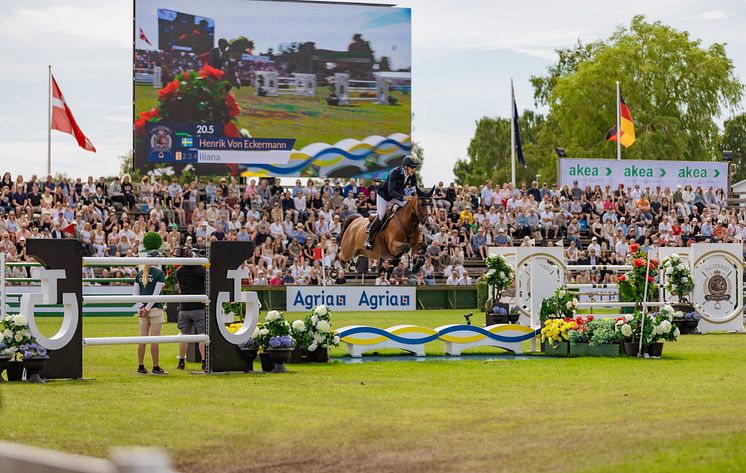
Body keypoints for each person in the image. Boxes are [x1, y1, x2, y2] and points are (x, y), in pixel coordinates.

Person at [365, 155, 418, 250]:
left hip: (398, 196)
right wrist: (404, 197)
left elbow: (413, 189)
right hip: (384, 196)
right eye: (412, 167)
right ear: (406, 167)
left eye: (415, 167)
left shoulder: (412, 175)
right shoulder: (394, 172)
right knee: (381, 215)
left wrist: (414, 195)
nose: (414, 169)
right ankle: (369, 239)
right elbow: (391, 191)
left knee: (408, 208)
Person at [133, 251, 167, 375]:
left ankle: (141, 366)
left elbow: (135, 294)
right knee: (154, 340)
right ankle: (155, 366)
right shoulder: (160, 273)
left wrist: (142, 307)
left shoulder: (140, 274)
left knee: (143, 339)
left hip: (142, 310)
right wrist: (147, 308)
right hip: (155, 309)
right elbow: (156, 294)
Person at [175, 250, 207, 371]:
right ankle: (204, 362)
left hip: (184, 307)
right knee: (202, 336)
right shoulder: (200, 270)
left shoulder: (179, 271)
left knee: (184, 336)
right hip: (198, 307)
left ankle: (181, 362)